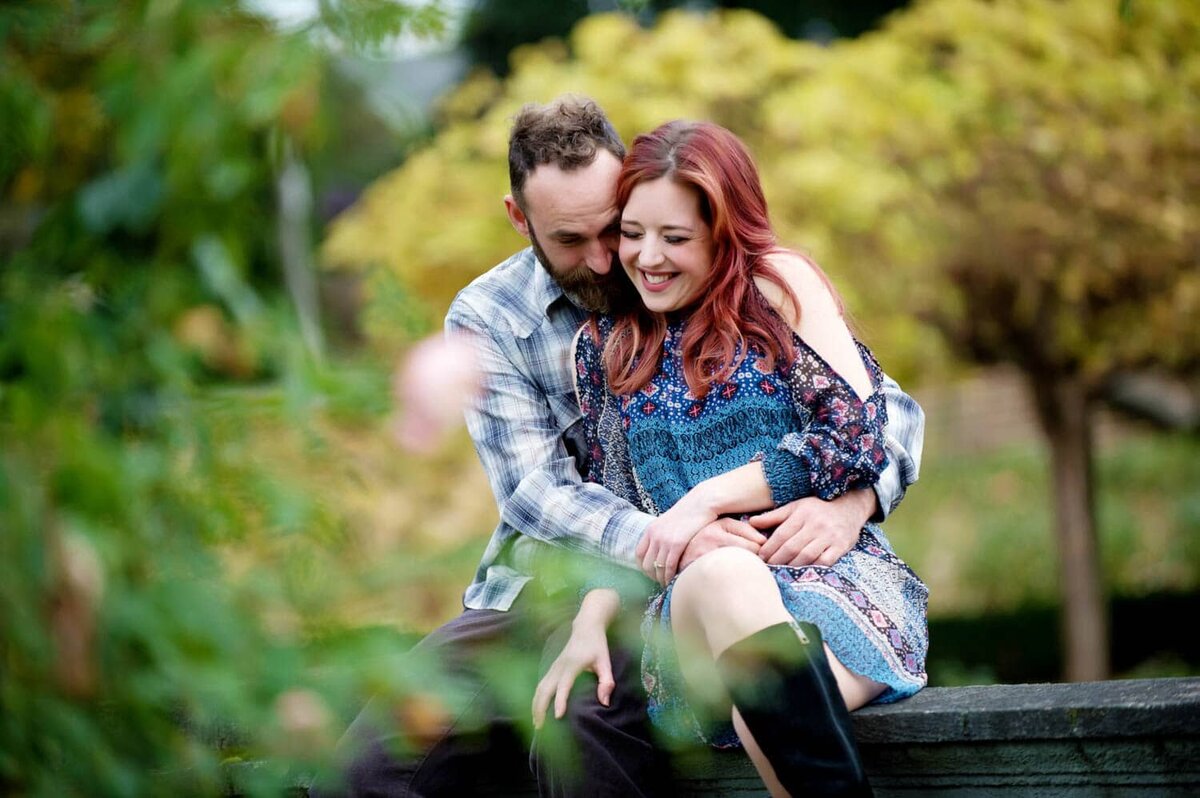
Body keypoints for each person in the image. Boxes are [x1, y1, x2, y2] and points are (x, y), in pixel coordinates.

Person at [322, 98, 925, 797]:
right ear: (521, 221)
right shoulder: (501, 319)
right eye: (574, 240)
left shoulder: (731, 283)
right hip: (553, 579)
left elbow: (879, 413)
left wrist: (853, 500)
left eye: (618, 226)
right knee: (370, 770)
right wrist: (671, 537)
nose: (615, 257)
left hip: (714, 581)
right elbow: (536, 492)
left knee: (586, 724)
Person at [533, 120, 929, 798]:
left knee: (771, 714)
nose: (647, 257)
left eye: (675, 238)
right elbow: (616, 508)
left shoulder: (778, 288)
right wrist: (589, 619)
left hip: (836, 587)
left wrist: (705, 499)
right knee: (722, 577)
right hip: (692, 615)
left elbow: (859, 435)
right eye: (632, 233)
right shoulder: (610, 346)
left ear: (724, 232)